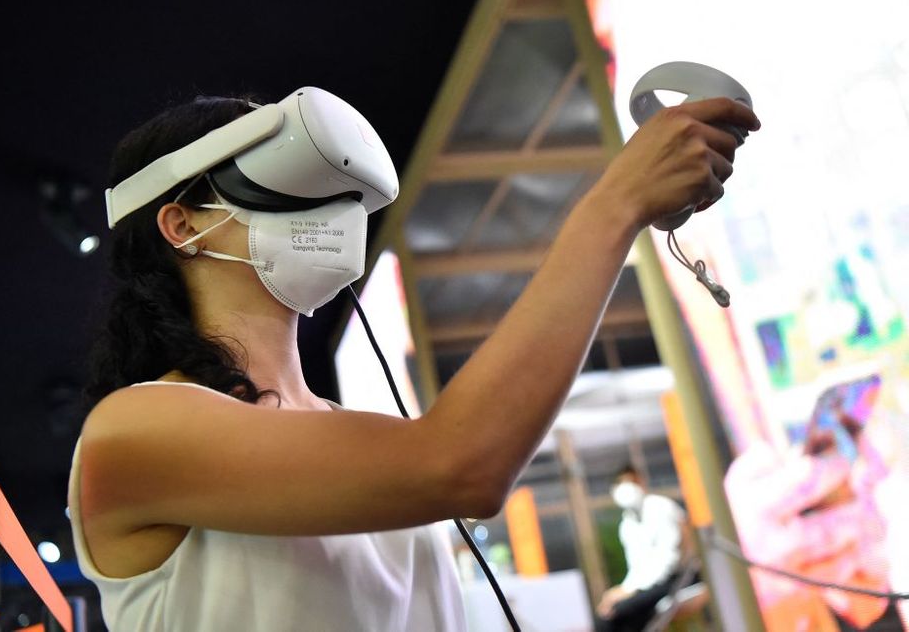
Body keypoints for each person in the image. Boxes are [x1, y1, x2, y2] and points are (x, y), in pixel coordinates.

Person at [68, 91, 758, 631]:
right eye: (284, 178)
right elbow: (461, 463)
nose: (330, 209)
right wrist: (616, 204)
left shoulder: (353, 434)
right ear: (182, 223)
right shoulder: (135, 432)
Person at [596, 466, 690, 632]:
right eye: (621, 484)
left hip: (679, 577)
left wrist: (633, 591)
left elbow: (670, 559)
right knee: (609, 614)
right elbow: (637, 567)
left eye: (631, 482)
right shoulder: (627, 525)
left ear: (641, 481)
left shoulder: (660, 507)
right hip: (649, 585)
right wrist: (624, 590)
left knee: (618, 615)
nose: (627, 488)